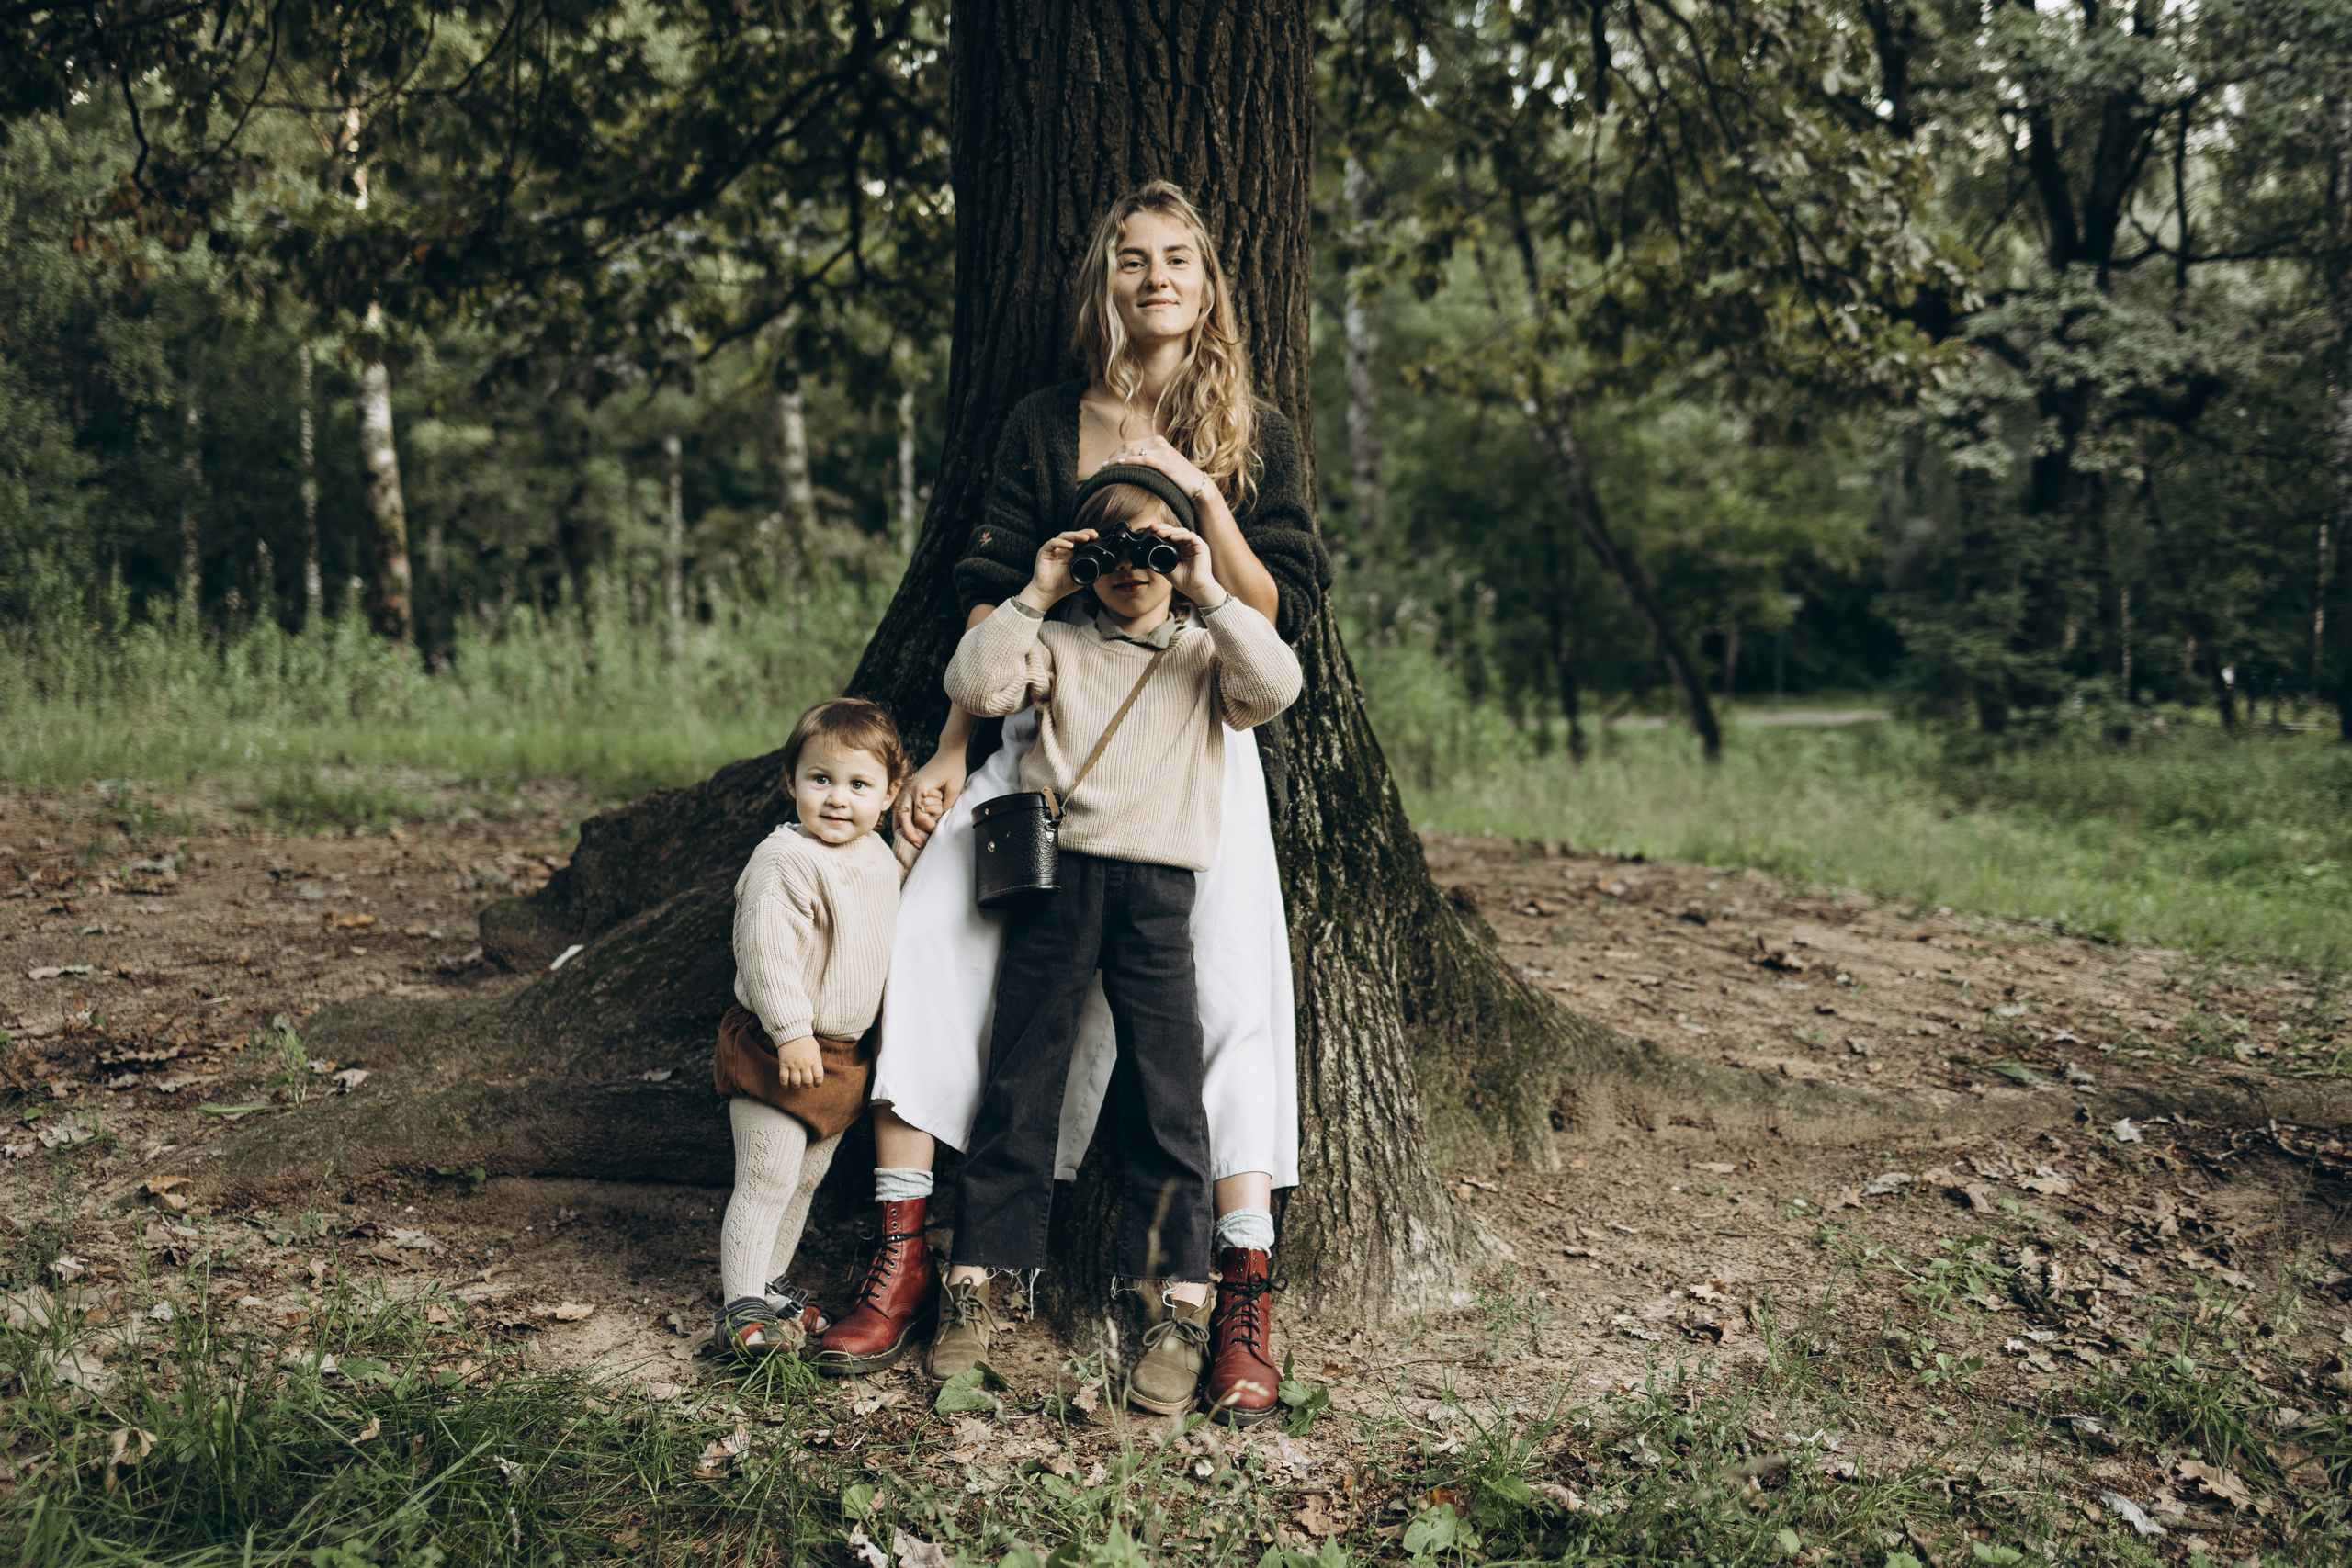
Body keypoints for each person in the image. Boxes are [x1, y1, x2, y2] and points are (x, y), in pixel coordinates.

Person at [815, 180, 1330, 1427]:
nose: (1156, 279)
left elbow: (1284, 616)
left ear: (1210, 284)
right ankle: (911, 1246)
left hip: (1194, 757)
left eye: (1178, 261)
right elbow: (992, 595)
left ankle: (1236, 1287)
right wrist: (949, 747)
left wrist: (1200, 502)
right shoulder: (1046, 423)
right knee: (937, 934)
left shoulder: (1247, 428)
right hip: (1041, 749)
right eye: (1131, 261)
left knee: (1231, 994)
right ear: (1101, 284)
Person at [938, 476, 1298, 1411]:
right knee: (1019, 1080)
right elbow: (976, 684)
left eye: (1151, 547)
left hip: (1158, 893)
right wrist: (1040, 586)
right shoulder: (1057, 642)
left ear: (1176, 557)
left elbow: (1277, 687)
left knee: (1167, 1097)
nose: (1130, 566)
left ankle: (1179, 1305)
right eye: (1110, 546)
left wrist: (1209, 587)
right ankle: (978, 1282)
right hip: (1059, 884)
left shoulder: (1200, 652)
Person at [710, 699, 914, 1358]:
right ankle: (739, 1306)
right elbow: (766, 951)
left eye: (858, 785)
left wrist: (909, 848)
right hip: (779, 1047)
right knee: (766, 1176)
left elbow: (882, 918)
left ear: (888, 795)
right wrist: (791, 1028)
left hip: (843, 1058)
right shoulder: (783, 860)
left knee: (802, 1180)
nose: (836, 799)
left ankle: (770, 1288)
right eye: (820, 779)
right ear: (790, 782)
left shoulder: (876, 856)